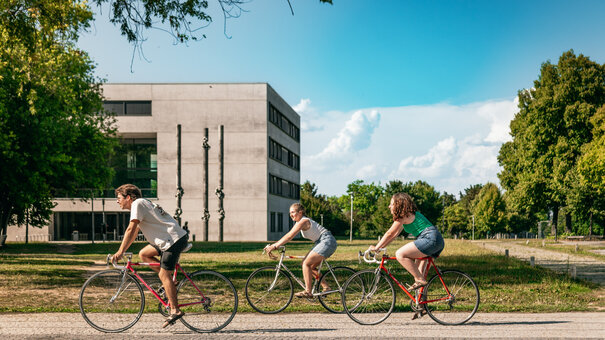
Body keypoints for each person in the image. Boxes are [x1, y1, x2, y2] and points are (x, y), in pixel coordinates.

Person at [113, 184, 189, 328]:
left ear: (128, 197)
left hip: (173, 240)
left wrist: (120, 251)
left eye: (119, 198)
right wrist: (123, 249)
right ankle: (170, 284)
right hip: (167, 240)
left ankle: (175, 310)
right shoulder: (141, 204)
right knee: (144, 254)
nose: (117, 201)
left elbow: (130, 229)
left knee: (163, 275)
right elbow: (134, 231)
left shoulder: (137, 203)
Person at [369, 193, 444, 290]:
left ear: (398, 204)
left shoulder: (402, 216)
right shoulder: (410, 214)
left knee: (400, 254)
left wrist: (376, 247)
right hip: (436, 240)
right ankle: (421, 304)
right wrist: (380, 248)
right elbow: (394, 235)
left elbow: (389, 233)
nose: (389, 206)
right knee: (418, 276)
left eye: (391, 204)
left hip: (429, 239)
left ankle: (420, 280)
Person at [264, 203, 338, 299]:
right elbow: (289, 235)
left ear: (300, 212)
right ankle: (326, 287)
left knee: (305, 264)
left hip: (326, 241)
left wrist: (274, 246)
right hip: (322, 242)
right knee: (310, 267)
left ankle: (308, 291)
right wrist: (276, 245)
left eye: (293, 212)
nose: (291, 215)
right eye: (290, 213)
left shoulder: (304, 221)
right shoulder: (300, 222)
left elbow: (290, 236)